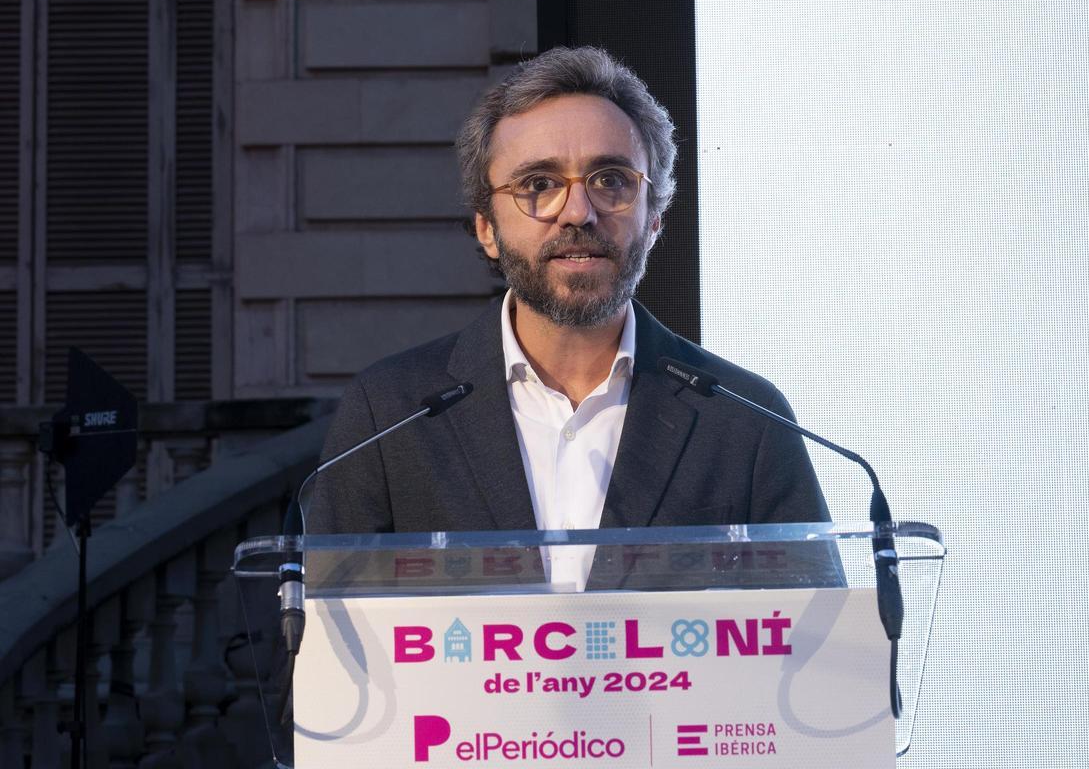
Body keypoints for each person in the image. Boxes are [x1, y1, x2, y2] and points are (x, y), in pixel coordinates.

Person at [308, 46, 831, 587]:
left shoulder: (746, 419)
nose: (578, 212)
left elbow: (823, 651)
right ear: (487, 227)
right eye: (538, 184)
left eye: (611, 181)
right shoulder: (391, 413)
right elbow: (322, 651)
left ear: (654, 219)